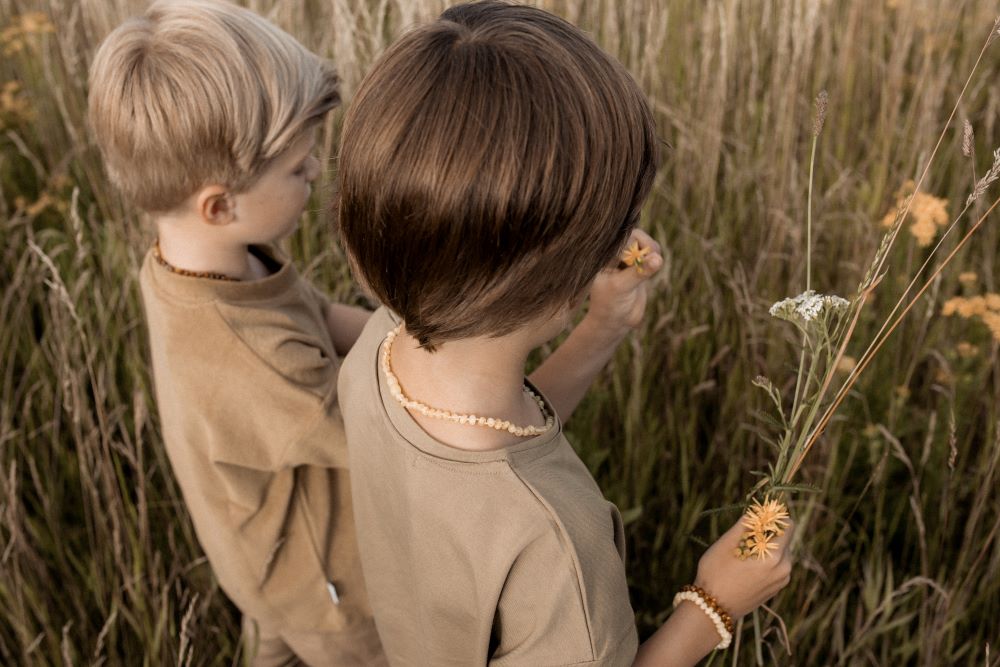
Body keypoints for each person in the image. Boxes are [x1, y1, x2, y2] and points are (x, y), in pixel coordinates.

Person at [336, 2, 793, 664]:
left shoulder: (380, 348)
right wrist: (714, 603)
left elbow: (499, 434)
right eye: (617, 223)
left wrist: (599, 328)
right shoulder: (551, 541)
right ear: (556, 279)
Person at [87, 1, 383, 663]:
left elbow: (322, 315)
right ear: (219, 204)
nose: (316, 175)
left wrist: (411, 333)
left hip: (259, 545)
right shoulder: (249, 355)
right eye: (300, 168)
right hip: (330, 594)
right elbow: (376, 433)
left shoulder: (206, 261)